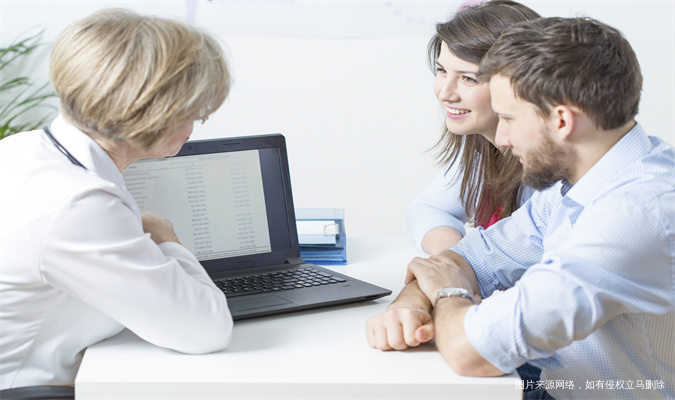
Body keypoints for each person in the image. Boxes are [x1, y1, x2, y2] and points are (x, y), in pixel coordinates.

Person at [368, 16, 675, 400]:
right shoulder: (575, 183)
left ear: (561, 121)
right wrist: (410, 305)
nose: (501, 138)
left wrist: (447, 294)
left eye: (508, 119)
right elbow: (469, 258)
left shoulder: (633, 218)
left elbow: (470, 352)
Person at [0, 9, 234, 390]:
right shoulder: (79, 204)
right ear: (145, 112)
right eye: (189, 111)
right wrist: (168, 241)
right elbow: (208, 329)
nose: (198, 123)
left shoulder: (20, 148)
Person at [406, 0, 539, 256]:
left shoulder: (551, 165)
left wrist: (462, 266)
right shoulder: (482, 146)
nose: (445, 93)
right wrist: (454, 259)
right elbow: (427, 208)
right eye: (442, 71)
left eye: (468, 78)